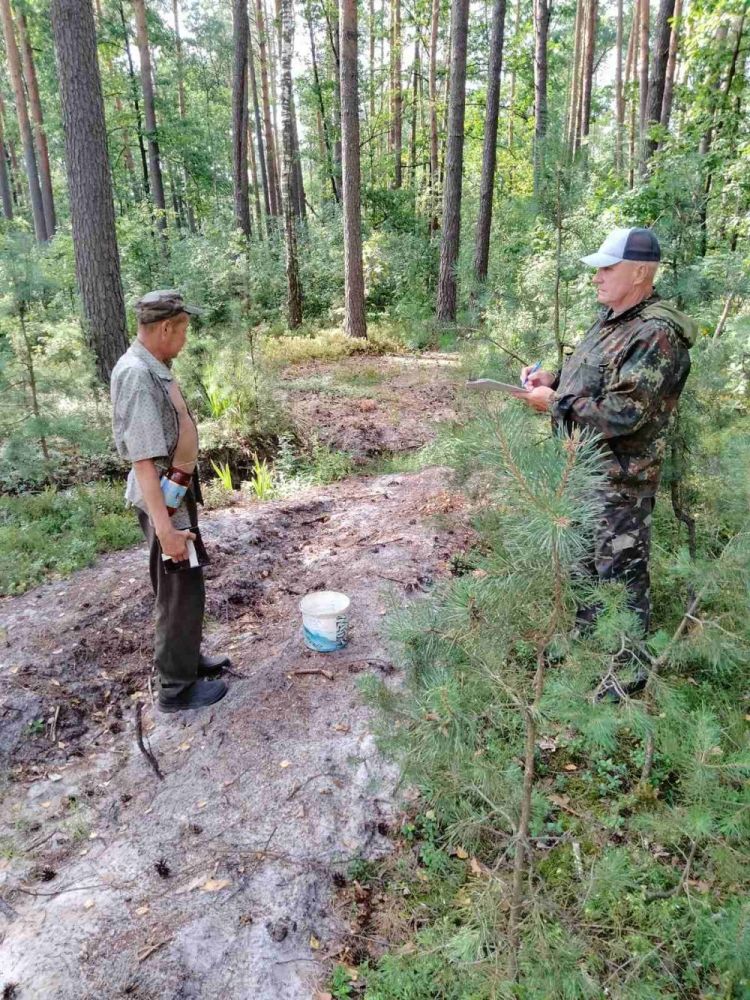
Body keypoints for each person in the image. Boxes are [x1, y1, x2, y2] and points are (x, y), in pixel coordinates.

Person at [519, 228, 697, 695]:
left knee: (620, 578)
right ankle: (587, 644)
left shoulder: (655, 333)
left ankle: (627, 673)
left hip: (620, 481)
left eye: (607, 268)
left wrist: (555, 403)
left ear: (639, 273)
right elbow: (594, 378)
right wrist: (552, 379)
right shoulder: (614, 319)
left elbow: (625, 412)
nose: (596, 277)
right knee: (583, 566)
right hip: (586, 471)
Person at [110, 290, 230, 713]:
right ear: (165, 328)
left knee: (187, 585)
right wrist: (166, 530)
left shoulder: (152, 366)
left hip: (174, 493)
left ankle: (187, 660)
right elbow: (143, 461)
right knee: (176, 590)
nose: (185, 338)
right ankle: (176, 689)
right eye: (183, 330)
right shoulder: (137, 375)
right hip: (163, 501)